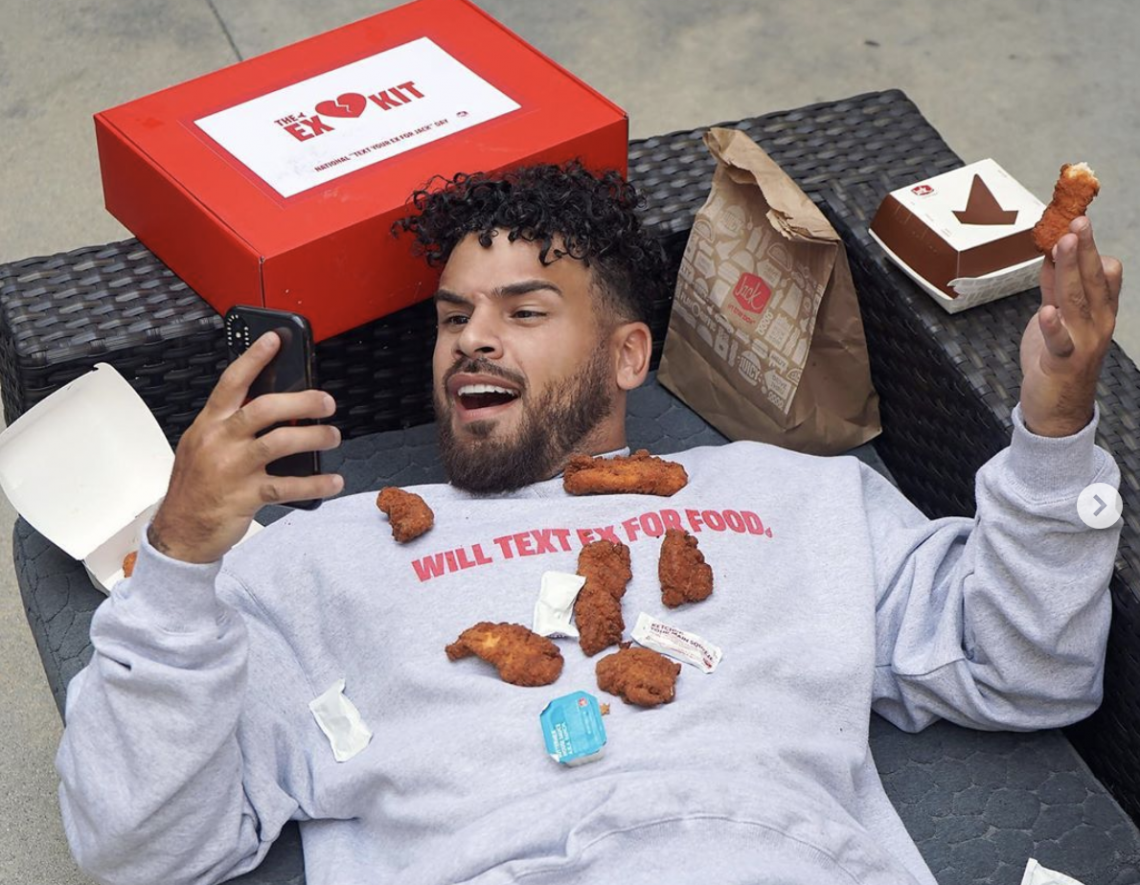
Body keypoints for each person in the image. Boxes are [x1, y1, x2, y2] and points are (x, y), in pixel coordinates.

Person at [56, 162, 1124, 885]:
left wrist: (1053, 430)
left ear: (626, 356)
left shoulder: (799, 498)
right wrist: (179, 557)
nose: (471, 340)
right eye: (453, 318)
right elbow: (139, 845)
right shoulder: (315, 559)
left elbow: (1026, 671)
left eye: (523, 312)